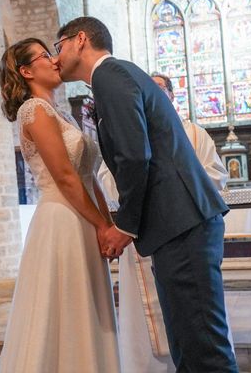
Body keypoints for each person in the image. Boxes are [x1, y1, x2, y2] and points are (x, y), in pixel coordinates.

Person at [55, 17, 238, 372]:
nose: (55, 56)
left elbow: (135, 156)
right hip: (178, 225)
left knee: (205, 349)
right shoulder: (116, 77)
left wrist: (124, 226)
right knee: (187, 344)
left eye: (58, 45)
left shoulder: (110, 76)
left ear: (80, 40)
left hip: (182, 224)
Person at [0, 38, 120, 372]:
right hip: (61, 218)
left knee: (86, 307)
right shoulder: (33, 111)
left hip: (83, 215)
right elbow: (65, 176)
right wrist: (101, 225)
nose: (54, 60)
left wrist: (109, 225)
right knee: (65, 307)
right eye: (45, 55)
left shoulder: (61, 113)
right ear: (26, 71)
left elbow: (89, 176)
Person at [98, 72, 232, 373]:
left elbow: (213, 176)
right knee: (171, 326)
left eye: (160, 90)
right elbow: (107, 179)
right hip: (143, 231)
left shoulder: (194, 133)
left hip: (186, 228)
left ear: (171, 96)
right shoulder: (127, 132)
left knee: (199, 327)